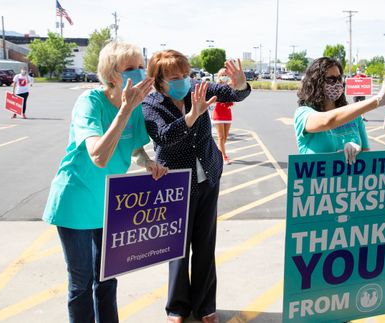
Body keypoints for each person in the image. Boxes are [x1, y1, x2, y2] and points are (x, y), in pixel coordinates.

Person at [42, 42, 168, 323]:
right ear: (112, 75)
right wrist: (124, 110)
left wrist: (148, 162)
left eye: (140, 66)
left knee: (108, 278)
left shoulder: (134, 107)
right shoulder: (90, 103)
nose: (138, 73)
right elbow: (98, 155)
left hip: (109, 203)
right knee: (81, 283)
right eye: (129, 68)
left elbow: (134, 148)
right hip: (76, 203)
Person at [143, 50, 251, 323]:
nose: (183, 80)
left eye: (185, 74)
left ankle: (205, 305)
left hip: (208, 177)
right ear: (159, 81)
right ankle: (177, 306)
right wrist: (192, 114)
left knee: (205, 244)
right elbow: (164, 138)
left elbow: (234, 95)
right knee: (177, 247)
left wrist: (239, 84)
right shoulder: (151, 104)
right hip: (175, 183)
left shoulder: (196, 88)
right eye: (174, 77)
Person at [294, 57, 385, 164]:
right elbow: (328, 121)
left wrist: (358, 152)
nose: (337, 83)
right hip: (316, 179)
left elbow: (366, 157)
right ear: (316, 83)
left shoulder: (354, 115)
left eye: (339, 79)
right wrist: (376, 101)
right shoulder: (303, 113)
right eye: (331, 79)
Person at [211, 68, 235, 164]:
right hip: (218, 114)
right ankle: (224, 157)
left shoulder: (230, 86)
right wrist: (220, 100)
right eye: (222, 75)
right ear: (219, 76)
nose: (224, 76)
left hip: (227, 113)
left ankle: (217, 152)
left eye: (226, 75)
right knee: (221, 137)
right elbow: (213, 99)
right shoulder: (216, 86)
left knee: (225, 138)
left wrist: (231, 101)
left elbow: (234, 96)